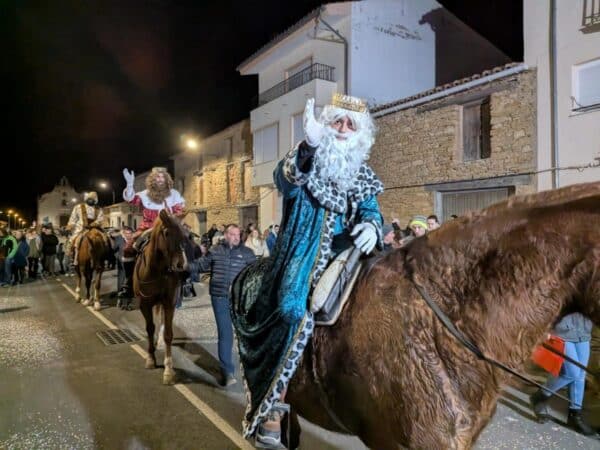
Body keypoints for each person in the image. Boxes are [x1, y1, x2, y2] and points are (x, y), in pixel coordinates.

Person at [232, 94, 384, 447]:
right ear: (326, 127)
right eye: (337, 122)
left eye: (351, 125)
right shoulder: (306, 160)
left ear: (361, 133)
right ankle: (273, 404)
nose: (344, 129)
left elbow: (371, 208)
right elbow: (284, 179)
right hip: (303, 252)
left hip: (349, 257)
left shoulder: (362, 174)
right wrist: (308, 146)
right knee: (290, 308)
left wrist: (373, 226)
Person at [198, 224, 256, 387]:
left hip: (240, 299)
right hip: (220, 297)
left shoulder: (247, 253)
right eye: (233, 234)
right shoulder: (216, 251)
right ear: (225, 235)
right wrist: (187, 266)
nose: (236, 237)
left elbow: (254, 273)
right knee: (226, 332)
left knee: (246, 333)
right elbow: (201, 265)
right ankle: (227, 371)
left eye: (238, 234)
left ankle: (252, 369)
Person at [119, 166, 186, 297]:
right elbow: (130, 199)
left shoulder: (174, 194)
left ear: (166, 179)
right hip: (148, 227)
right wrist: (130, 184)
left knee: (189, 243)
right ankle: (128, 282)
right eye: (157, 177)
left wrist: (175, 220)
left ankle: (186, 280)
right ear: (152, 180)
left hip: (168, 226)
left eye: (162, 176)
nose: (160, 179)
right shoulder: (144, 194)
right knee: (128, 248)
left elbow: (179, 211)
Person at [530, 312, 597, 436]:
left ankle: (575, 415)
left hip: (583, 330)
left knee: (581, 375)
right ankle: (541, 395)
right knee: (572, 373)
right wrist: (545, 326)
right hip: (562, 330)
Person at [66, 191, 106, 268]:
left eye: (93, 199)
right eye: (90, 198)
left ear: (95, 200)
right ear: (87, 199)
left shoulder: (99, 209)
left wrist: (92, 224)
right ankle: (73, 256)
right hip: (81, 228)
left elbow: (100, 219)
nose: (91, 200)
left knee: (105, 239)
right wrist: (69, 226)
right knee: (72, 240)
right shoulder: (78, 207)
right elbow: (73, 218)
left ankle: (103, 258)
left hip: (94, 228)